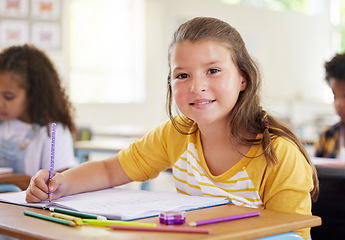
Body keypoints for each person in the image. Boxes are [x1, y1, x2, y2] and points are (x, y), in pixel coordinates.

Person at [25, 17, 318, 240]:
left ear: (242, 78)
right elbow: (111, 170)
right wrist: (62, 183)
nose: (196, 86)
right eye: (182, 75)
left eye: (213, 70)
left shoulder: (279, 154)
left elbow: (290, 234)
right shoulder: (177, 133)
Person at [0, 44, 77, 177]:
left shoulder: (53, 132)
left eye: (8, 97)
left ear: (33, 95)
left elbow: (57, 184)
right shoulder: (4, 124)